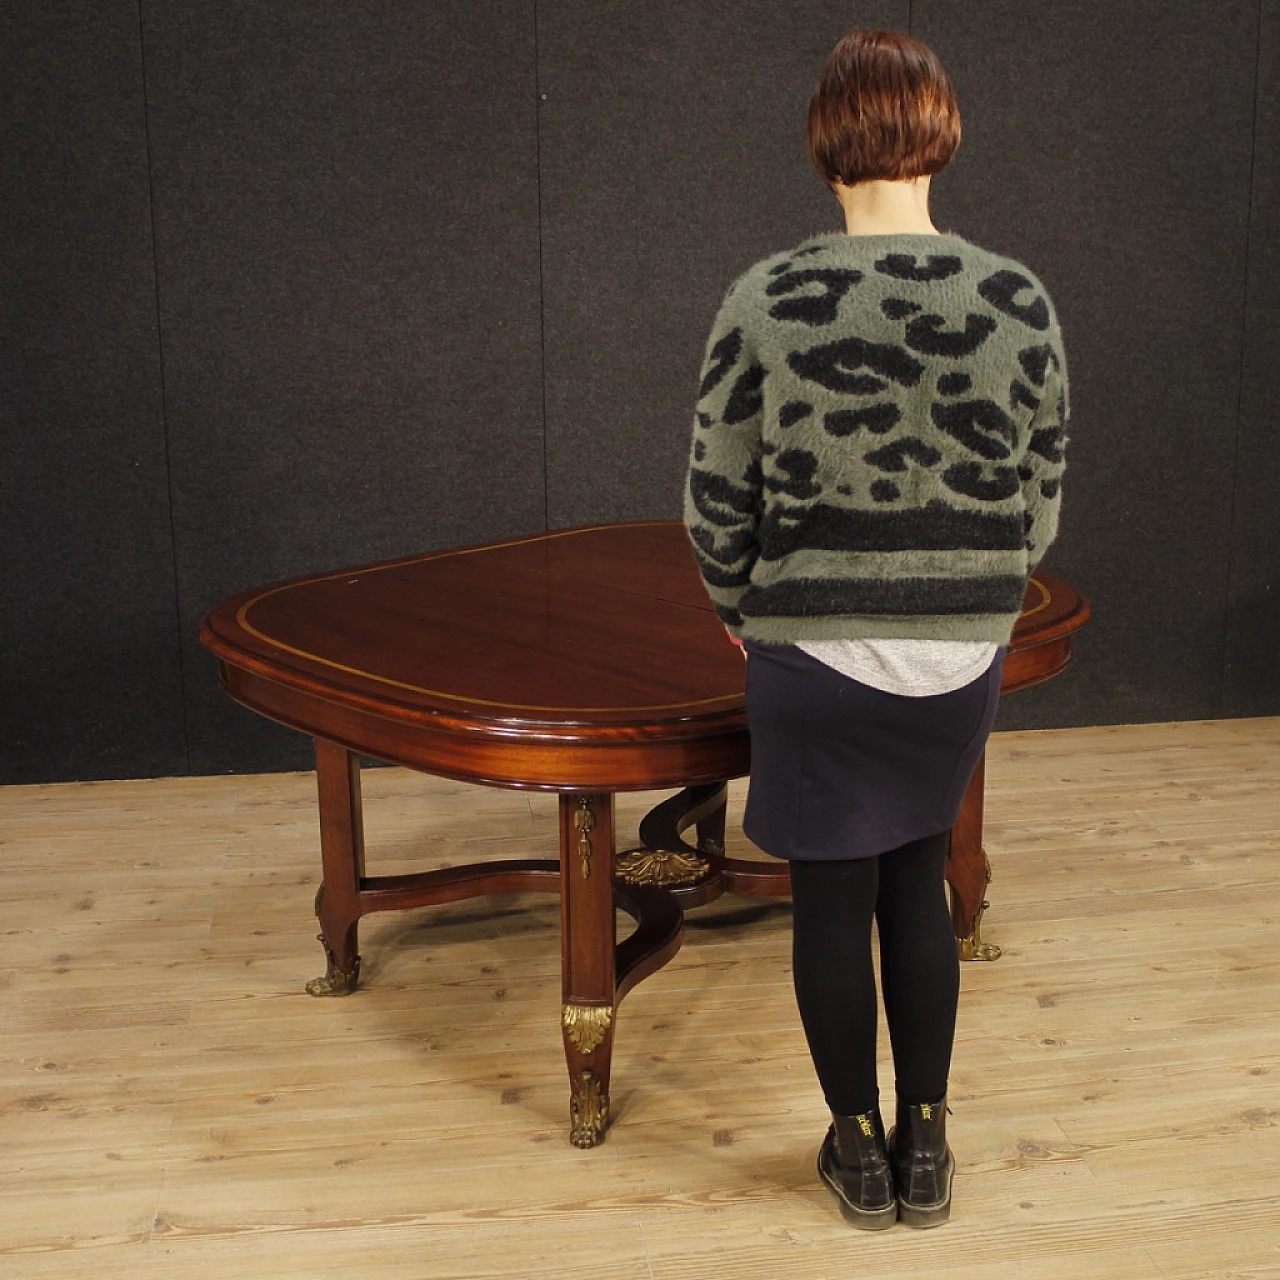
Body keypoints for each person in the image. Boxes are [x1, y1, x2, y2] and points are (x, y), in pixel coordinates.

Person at [683, 28, 1068, 1229]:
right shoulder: (1014, 299)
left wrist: (745, 611)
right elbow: (1037, 501)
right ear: (939, 133)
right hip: (956, 657)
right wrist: (973, 603)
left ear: (826, 143)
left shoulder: (766, 297)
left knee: (829, 903)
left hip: (813, 654)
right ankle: (931, 1146)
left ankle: (855, 1151)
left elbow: (712, 498)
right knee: (918, 878)